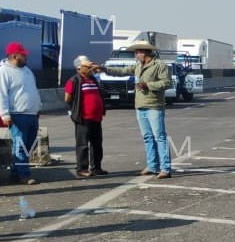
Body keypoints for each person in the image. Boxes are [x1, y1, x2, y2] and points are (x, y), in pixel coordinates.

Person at [106, 41, 172, 178]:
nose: (136, 55)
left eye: (137, 52)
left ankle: (165, 168)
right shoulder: (137, 66)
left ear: (145, 52)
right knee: (147, 137)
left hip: (154, 105)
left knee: (159, 137)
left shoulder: (159, 65)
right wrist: (104, 69)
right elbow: (122, 71)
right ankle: (152, 166)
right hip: (140, 105)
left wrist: (147, 84)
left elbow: (166, 83)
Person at [0, 42, 42, 185]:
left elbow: (33, 90)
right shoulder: (2, 73)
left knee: (29, 145)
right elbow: (0, 95)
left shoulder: (27, 71)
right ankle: (24, 175)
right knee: (20, 146)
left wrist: (38, 107)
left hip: (31, 114)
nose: (26, 57)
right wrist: (4, 114)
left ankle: (15, 173)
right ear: (14, 56)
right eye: (23, 55)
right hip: (17, 115)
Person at [64, 55, 107, 178]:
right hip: (83, 118)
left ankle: (96, 167)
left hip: (96, 117)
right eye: (87, 66)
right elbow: (68, 98)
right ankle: (82, 168)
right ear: (79, 68)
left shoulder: (93, 79)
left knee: (97, 143)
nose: (90, 68)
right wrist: (75, 109)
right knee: (82, 144)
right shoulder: (74, 80)